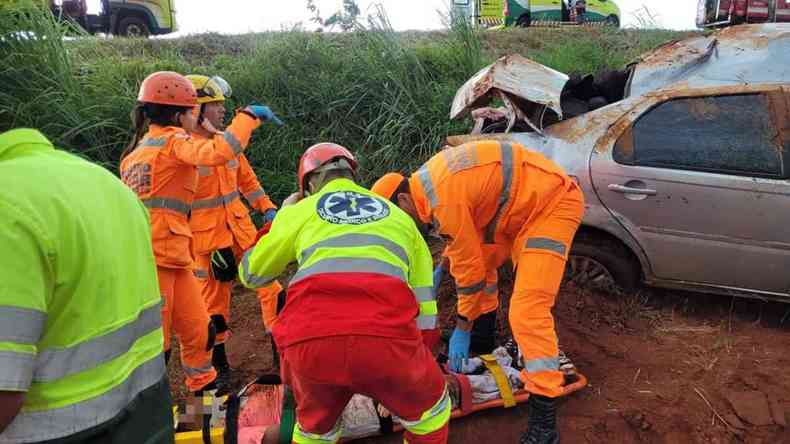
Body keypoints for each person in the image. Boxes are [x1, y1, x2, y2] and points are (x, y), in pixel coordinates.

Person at [371, 140, 584, 444]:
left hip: (550, 206)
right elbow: (464, 239)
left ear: (403, 200)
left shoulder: (439, 200)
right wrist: (444, 267)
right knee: (481, 263)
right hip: (519, 209)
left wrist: (462, 326)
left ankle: (544, 419)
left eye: (398, 219)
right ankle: (484, 334)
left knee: (527, 310)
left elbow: (468, 268)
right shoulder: (428, 186)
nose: (402, 227)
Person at [238, 143, 450, 444]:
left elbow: (250, 274)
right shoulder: (399, 217)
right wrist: (417, 363)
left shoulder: (299, 212)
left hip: (309, 344)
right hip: (387, 342)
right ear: (352, 174)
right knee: (432, 416)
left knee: (315, 431)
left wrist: (278, 222)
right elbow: (426, 310)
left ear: (308, 185)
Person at [0, 128, 174, 443]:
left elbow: (4, 390)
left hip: (60, 431)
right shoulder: (102, 180)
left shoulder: (7, 205)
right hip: (147, 408)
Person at [119, 71, 280, 397]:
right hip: (171, 253)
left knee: (199, 333)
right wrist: (248, 118)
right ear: (182, 114)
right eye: (197, 109)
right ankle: (156, 414)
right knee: (162, 344)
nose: (218, 112)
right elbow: (216, 154)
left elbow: (240, 175)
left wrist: (265, 205)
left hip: (182, 251)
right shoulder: (177, 144)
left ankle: (205, 409)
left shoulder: (136, 156)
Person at [184, 74, 285, 388]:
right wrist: (207, 247)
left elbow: (248, 182)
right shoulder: (184, 152)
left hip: (241, 233)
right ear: (197, 110)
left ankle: (282, 360)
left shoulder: (227, 143)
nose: (222, 112)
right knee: (214, 310)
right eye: (215, 106)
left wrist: (267, 207)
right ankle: (220, 370)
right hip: (209, 244)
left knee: (274, 292)